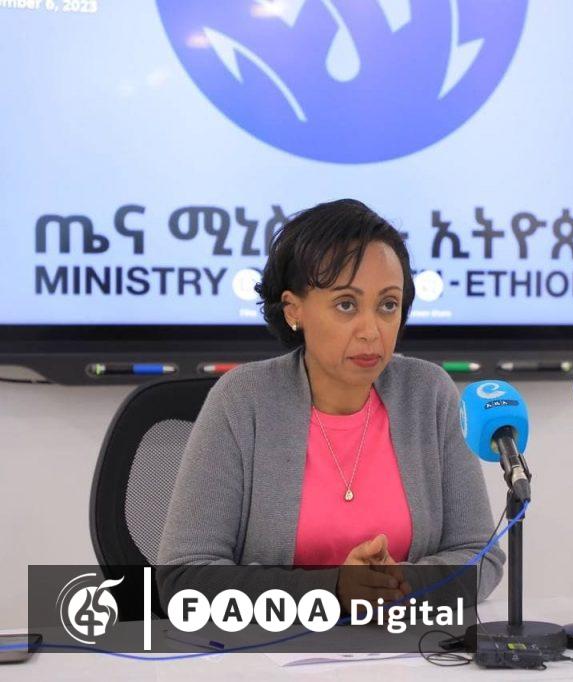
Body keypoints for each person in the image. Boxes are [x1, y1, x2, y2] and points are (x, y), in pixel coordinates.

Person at [158, 199, 504, 608]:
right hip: (273, 645)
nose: (371, 331)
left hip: (406, 642)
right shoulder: (242, 401)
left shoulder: (428, 394)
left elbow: (482, 557)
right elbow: (184, 576)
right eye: (346, 305)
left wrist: (397, 585)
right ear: (294, 310)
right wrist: (333, 590)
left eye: (388, 305)